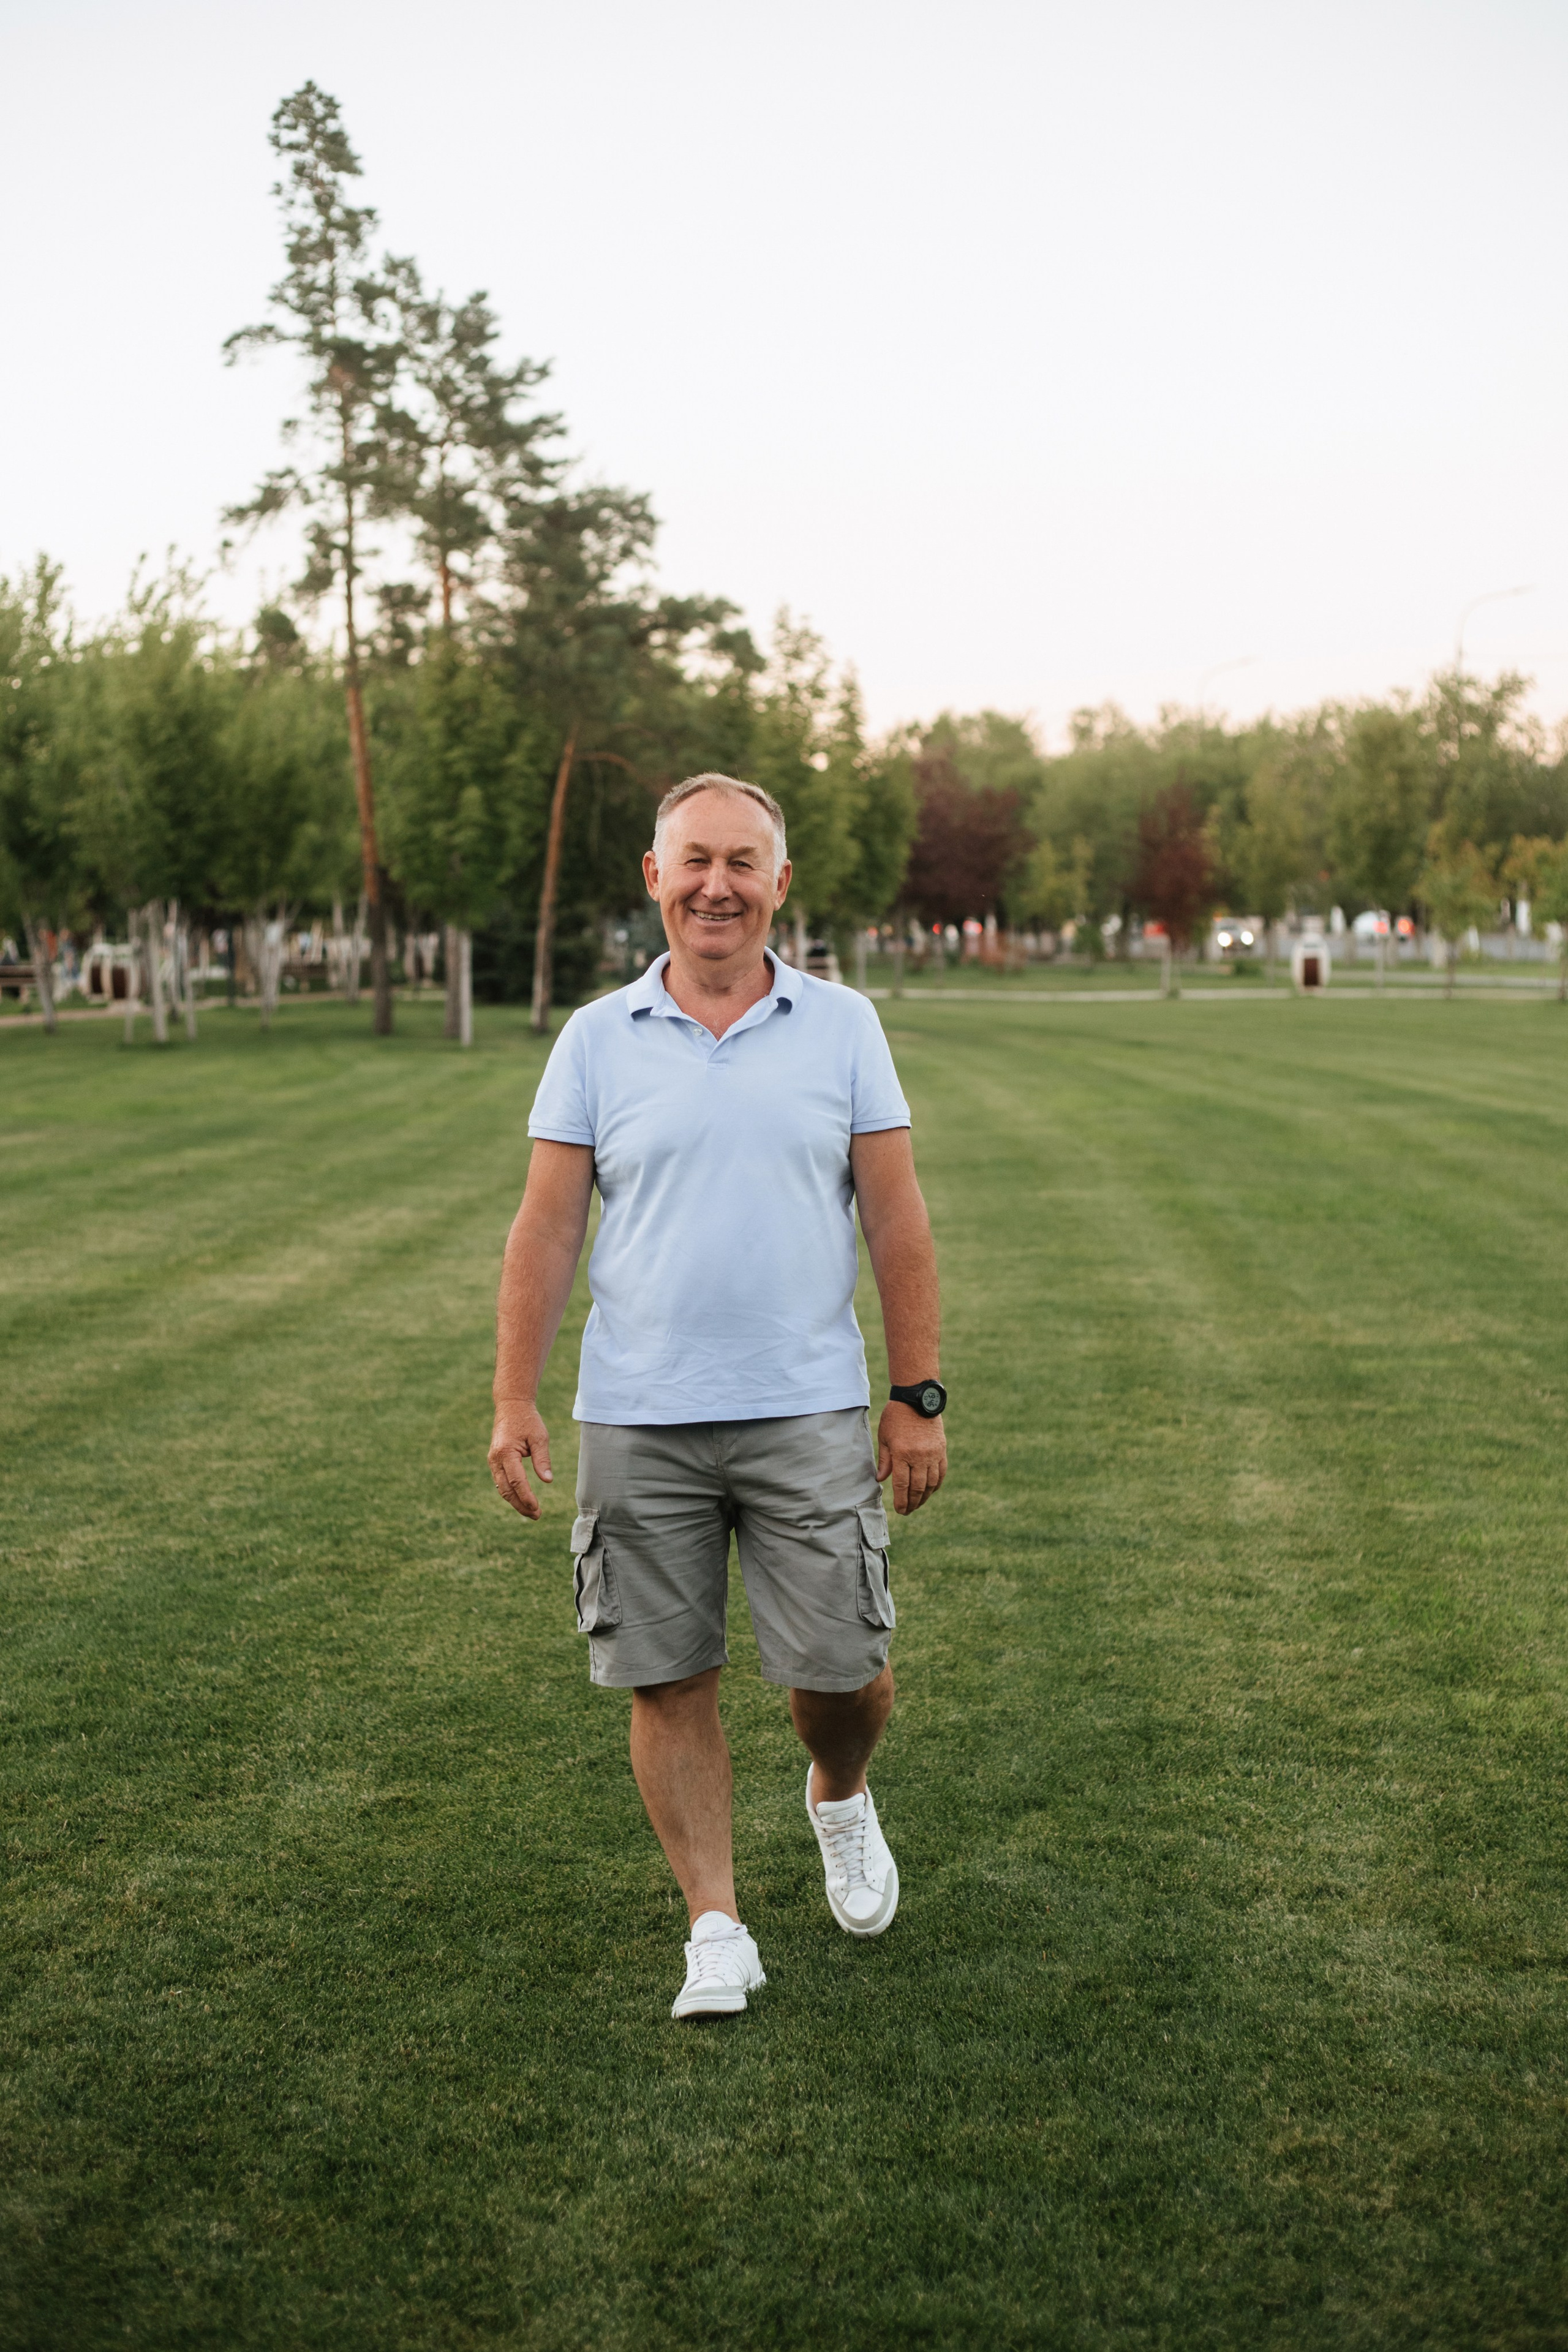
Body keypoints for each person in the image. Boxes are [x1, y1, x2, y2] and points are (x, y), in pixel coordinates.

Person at [489, 773, 948, 2019]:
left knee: (842, 1672)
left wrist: (915, 1393)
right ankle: (715, 1925)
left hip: (806, 1409)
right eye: (693, 860)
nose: (716, 885)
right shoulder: (594, 1039)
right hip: (637, 1416)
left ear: (778, 885)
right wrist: (514, 1399)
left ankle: (838, 1795)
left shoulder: (843, 1026)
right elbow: (545, 1229)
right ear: (653, 878)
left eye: (742, 862)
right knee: (665, 1674)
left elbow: (896, 1215)